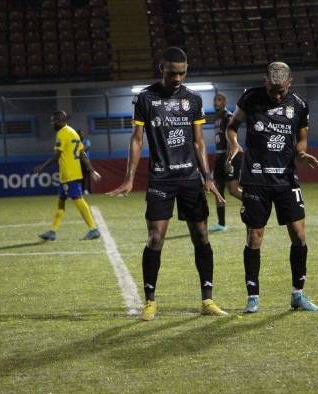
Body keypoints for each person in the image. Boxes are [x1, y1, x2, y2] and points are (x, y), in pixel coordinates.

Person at [106, 47, 228, 321]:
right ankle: (150, 301)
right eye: (173, 72)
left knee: (201, 237)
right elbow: (137, 140)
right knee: (155, 238)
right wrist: (128, 178)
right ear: (161, 68)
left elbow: (198, 140)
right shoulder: (146, 98)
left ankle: (207, 299)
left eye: (182, 73)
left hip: (189, 179)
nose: (178, 78)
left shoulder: (193, 99)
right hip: (161, 177)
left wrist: (207, 177)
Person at [226, 62, 318, 314]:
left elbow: (301, 139)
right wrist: (234, 143)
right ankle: (253, 297)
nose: (277, 95)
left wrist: (302, 154)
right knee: (254, 237)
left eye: (281, 91)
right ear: (265, 81)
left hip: (286, 179)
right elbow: (232, 126)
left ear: (290, 83)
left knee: (299, 235)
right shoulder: (250, 97)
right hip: (256, 180)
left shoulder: (299, 105)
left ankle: (298, 294)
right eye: (272, 89)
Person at [35, 111, 102, 241]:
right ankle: (52, 231)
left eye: (53, 121)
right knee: (61, 201)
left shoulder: (61, 133)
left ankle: (93, 229)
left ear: (60, 121)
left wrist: (42, 167)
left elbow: (57, 156)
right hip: (72, 173)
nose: (52, 124)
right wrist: (92, 170)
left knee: (78, 200)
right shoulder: (73, 132)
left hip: (68, 174)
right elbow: (82, 153)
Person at [209, 92, 242, 232]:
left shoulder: (228, 116)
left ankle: (254, 203)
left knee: (233, 190)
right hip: (219, 156)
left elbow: (231, 140)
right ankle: (221, 224)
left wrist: (229, 160)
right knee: (218, 189)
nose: (216, 102)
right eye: (215, 100)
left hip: (231, 156)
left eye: (219, 100)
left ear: (224, 102)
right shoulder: (216, 118)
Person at [76, 129, 92, 194]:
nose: (81, 135)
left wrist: (80, 151)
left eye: (82, 134)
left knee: (86, 176)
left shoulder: (86, 141)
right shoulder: (76, 142)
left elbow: (86, 148)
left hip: (85, 161)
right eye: (80, 134)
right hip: (78, 161)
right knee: (79, 177)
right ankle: (79, 190)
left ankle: (86, 190)